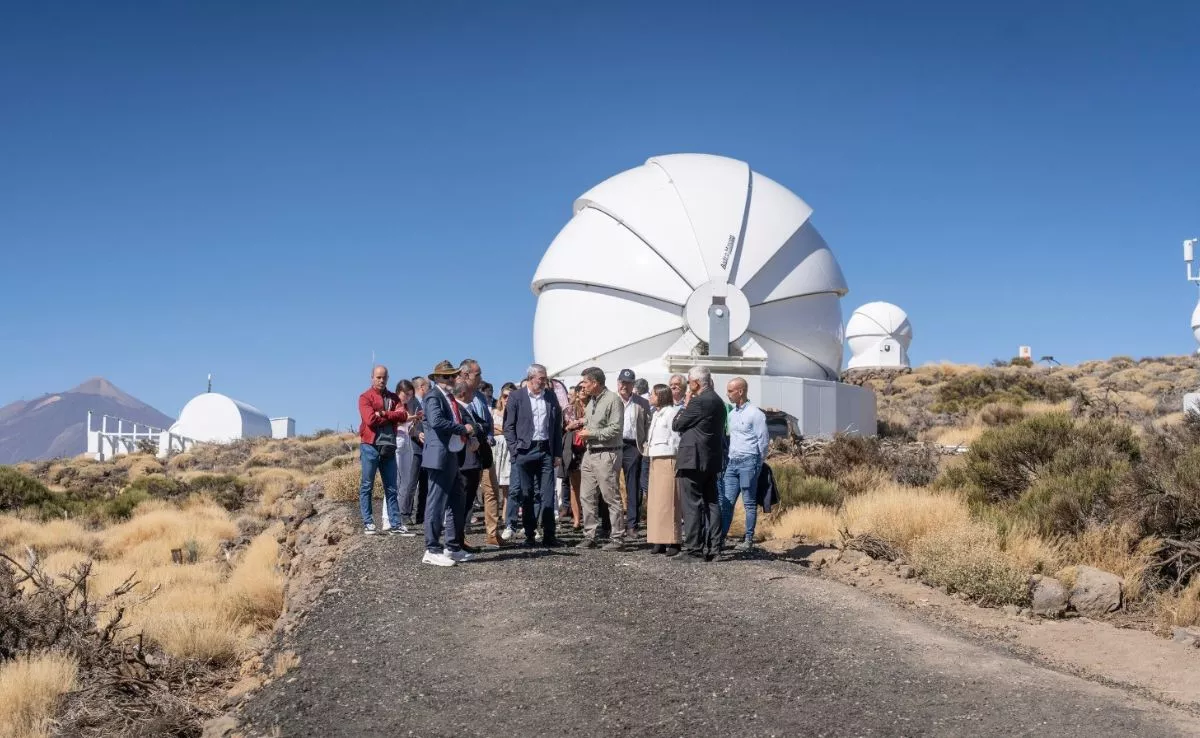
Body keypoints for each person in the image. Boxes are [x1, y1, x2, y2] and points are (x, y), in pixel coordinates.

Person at [420, 360, 476, 567]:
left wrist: (470, 431)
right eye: (446, 376)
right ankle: (432, 549)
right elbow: (436, 422)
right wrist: (464, 430)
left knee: (456, 500)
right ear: (436, 379)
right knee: (436, 503)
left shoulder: (448, 397)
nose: (451, 379)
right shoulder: (433, 396)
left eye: (453, 376)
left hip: (450, 454)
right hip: (439, 456)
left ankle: (452, 547)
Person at [503, 363, 564, 547]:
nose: (544, 382)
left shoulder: (551, 397)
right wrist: (514, 450)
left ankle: (549, 534)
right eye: (541, 379)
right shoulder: (516, 397)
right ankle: (529, 534)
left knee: (547, 493)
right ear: (531, 378)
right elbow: (509, 426)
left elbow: (556, 427)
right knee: (526, 493)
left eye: (545, 379)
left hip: (545, 449)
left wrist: (557, 453)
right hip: (524, 451)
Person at [671, 366, 725, 561]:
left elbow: (677, 425)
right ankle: (715, 548)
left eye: (689, 381)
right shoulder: (718, 401)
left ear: (695, 383)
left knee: (692, 504)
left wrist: (685, 404)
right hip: (711, 459)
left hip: (692, 459)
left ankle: (694, 549)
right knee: (712, 503)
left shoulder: (698, 402)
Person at [571, 367, 625, 551]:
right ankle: (590, 536)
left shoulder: (613, 400)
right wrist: (581, 424)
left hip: (607, 453)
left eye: (585, 382)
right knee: (586, 496)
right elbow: (593, 422)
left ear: (595, 383)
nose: (583, 386)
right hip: (590, 453)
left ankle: (617, 538)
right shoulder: (592, 401)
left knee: (611, 497)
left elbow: (615, 429)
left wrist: (590, 433)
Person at [357, 365, 408, 536]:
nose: (381, 380)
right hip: (370, 446)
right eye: (378, 377)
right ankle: (368, 522)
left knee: (391, 487)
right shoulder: (365, 397)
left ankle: (395, 523)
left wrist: (383, 413)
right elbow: (370, 420)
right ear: (372, 377)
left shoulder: (393, 397)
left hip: (388, 447)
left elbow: (403, 416)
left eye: (384, 377)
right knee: (367, 485)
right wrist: (390, 416)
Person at [721, 377, 770, 552]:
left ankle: (748, 539)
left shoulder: (755, 414)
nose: (727, 394)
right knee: (727, 502)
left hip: (749, 462)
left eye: (730, 391)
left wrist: (758, 460)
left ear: (740, 391)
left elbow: (763, 441)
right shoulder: (732, 414)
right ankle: (721, 538)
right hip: (732, 463)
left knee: (749, 503)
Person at [645, 385, 682, 555]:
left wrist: (673, 455)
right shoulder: (656, 413)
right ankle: (658, 538)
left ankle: (673, 541)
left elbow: (675, 437)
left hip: (667, 457)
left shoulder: (671, 412)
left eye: (652, 394)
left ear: (660, 396)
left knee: (669, 500)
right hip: (655, 457)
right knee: (655, 502)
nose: (650, 397)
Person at [616, 369, 651, 538]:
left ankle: (632, 525)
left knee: (633, 487)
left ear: (633, 385)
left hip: (633, 446)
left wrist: (643, 447)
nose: (625, 386)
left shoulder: (641, 403)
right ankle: (612, 525)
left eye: (628, 383)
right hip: (614, 446)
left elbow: (647, 425)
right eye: (622, 382)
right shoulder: (612, 401)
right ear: (618, 383)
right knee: (611, 486)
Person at [381, 379, 418, 535]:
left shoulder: (407, 407)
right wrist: (409, 418)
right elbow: (393, 418)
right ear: (398, 392)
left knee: (404, 481)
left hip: (407, 442)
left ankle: (396, 517)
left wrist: (415, 423)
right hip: (395, 442)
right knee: (393, 481)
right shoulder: (392, 403)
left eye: (410, 395)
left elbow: (409, 429)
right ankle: (386, 518)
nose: (407, 398)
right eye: (405, 394)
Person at [487, 386, 514, 546]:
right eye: (504, 396)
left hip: (508, 451)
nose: (507, 399)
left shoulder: (514, 412)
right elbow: (490, 428)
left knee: (507, 489)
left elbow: (509, 431)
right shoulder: (493, 412)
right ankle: (493, 522)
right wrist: (500, 429)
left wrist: (499, 430)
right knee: (492, 487)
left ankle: (505, 520)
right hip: (495, 451)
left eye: (510, 396)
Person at [405, 377, 430, 525]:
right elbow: (406, 425)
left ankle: (421, 515)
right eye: (428, 386)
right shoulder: (411, 403)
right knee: (412, 483)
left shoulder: (426, 403)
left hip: (426, 449)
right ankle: (406, 514)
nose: (430, 389)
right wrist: (417, 434)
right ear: (421, 387)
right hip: (414, 448)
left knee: (424, 484)